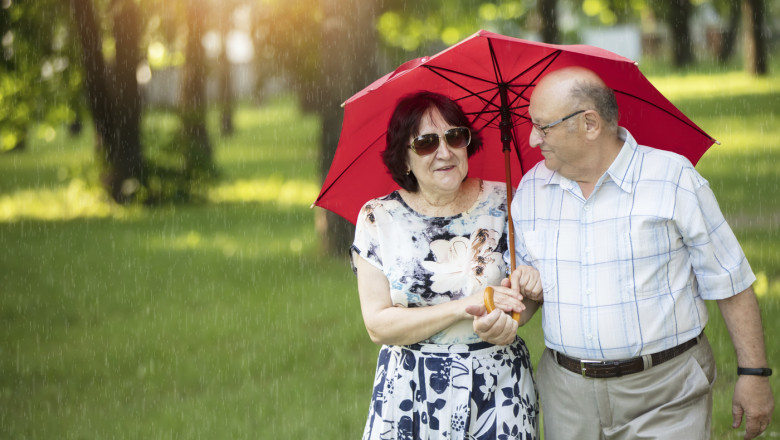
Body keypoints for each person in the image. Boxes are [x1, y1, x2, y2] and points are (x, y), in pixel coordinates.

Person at [473, 66, 774, 440]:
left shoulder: (671, 178)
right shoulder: (532, 188)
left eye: (543, 126)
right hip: (567, 393)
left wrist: (753, 373)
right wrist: (512, 311)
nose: (533, 139)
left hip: (665, 389)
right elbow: (534, 293)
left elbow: (730, 279)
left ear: (590, 124)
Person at [351, 91, 541, 440]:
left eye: (455, 136)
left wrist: (514, 317)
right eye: (425, 142)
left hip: (498, 386)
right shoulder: (378, 218)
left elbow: (526, 298)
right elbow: (378, 324)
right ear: (404, 159)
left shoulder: (508, 201)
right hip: (411, 389)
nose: (445, 152)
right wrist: (462, 309)